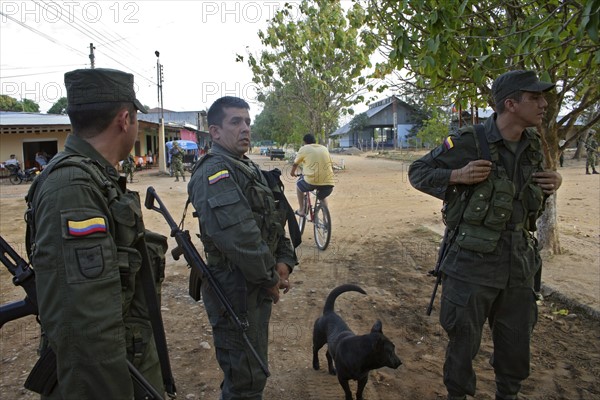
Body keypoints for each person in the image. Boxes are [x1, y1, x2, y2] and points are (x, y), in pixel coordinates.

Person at [408, 70, 562, 400]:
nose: (544, 103)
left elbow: (528, 195)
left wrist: (554, 184)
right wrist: (456, 175)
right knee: (463, 345)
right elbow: (418, 172)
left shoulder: (533, 144)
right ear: (510, 104)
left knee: (516, 344)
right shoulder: (468, 141)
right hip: (471, 266)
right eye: (535, 98)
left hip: (519, 265)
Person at [24, 68, 170, 399]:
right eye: (135, 119)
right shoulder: (72, 190)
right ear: (124, 119)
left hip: (128, 361)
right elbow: (87, 332)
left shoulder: (94, 179)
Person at [187, 96, 296, 400]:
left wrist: (284, 259)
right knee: (246, 376)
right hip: (234, 288)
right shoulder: (215, 172)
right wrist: (270, 278)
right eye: (235, 122)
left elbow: (273, 219)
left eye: (247, 121)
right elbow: (240, 236)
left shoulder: (244, 166)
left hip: (253, 283)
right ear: (215, 132)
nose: (245, 128)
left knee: (249, 372)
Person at [290, 133, 335, 216]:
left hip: (311, 181)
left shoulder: (304, 148)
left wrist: (292, 173)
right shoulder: (324, 148)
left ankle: (302, 210)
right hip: (329, 182)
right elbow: (330, 164)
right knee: (322, 196)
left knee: (299, 186)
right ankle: (326, 217)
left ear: (305, 142)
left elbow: (295, 163)